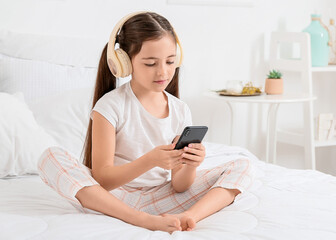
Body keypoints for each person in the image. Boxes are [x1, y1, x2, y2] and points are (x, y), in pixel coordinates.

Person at [37, 11, 253, 233]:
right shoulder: (110, 106)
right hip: (114, 199)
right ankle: (140, 219)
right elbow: (103, 180)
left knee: (242, 165)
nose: (163, 72)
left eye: (170, 62)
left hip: (162, 198)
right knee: (50, 157)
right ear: (125, 63)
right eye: (150, 63)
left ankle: (188, 217)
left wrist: (191, 165)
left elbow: (179, 186)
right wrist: (150, 160)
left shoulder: (180, 110)